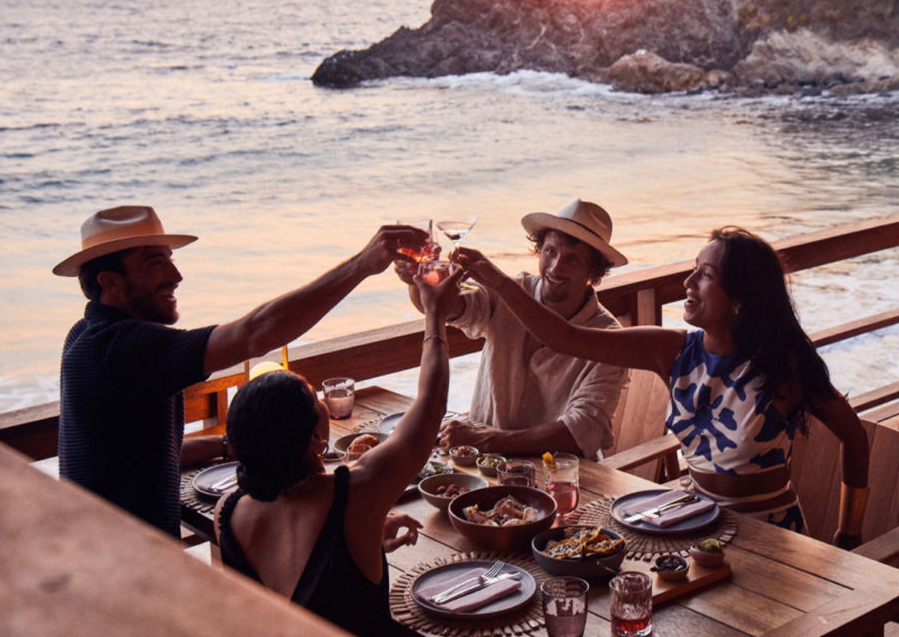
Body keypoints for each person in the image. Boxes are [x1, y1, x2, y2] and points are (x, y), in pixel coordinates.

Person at [454, 226, 871, 546]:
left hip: (771, 533)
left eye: (704, 275)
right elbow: (567, 337)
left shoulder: (783, 366)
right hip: (696, 520)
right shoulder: (671, 351)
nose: (687, 283)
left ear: (741, 297)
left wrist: (849, 534)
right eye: (693, 270)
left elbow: (855, 439)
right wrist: (496, 280)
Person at [52, 204, 426, 536]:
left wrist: (227, 445)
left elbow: (132, 452)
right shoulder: (124, 348)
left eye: (170, 258)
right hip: (126, 563)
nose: (176, 275)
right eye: (156, 262)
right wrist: (361, 265)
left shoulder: (84, 336)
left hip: (90, 545)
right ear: (110, 282)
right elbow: (253, 334)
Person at [214, 268, 460, 637]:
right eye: (313, 394)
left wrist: (365, 538)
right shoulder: (355, 493)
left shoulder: (227, 511)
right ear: (316, 438)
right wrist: (435, 316)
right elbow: (430, 405)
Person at [396, 199, 629, 460]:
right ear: (539, 250)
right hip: (483, 465)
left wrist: (486, 440)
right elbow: (448, 308)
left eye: (572, 259)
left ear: (594, 271)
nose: (555, 267)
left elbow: (582, 431)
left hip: (561, 476)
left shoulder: (610, 339)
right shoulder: (511, 291)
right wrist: (417, 279)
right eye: (550, 251)